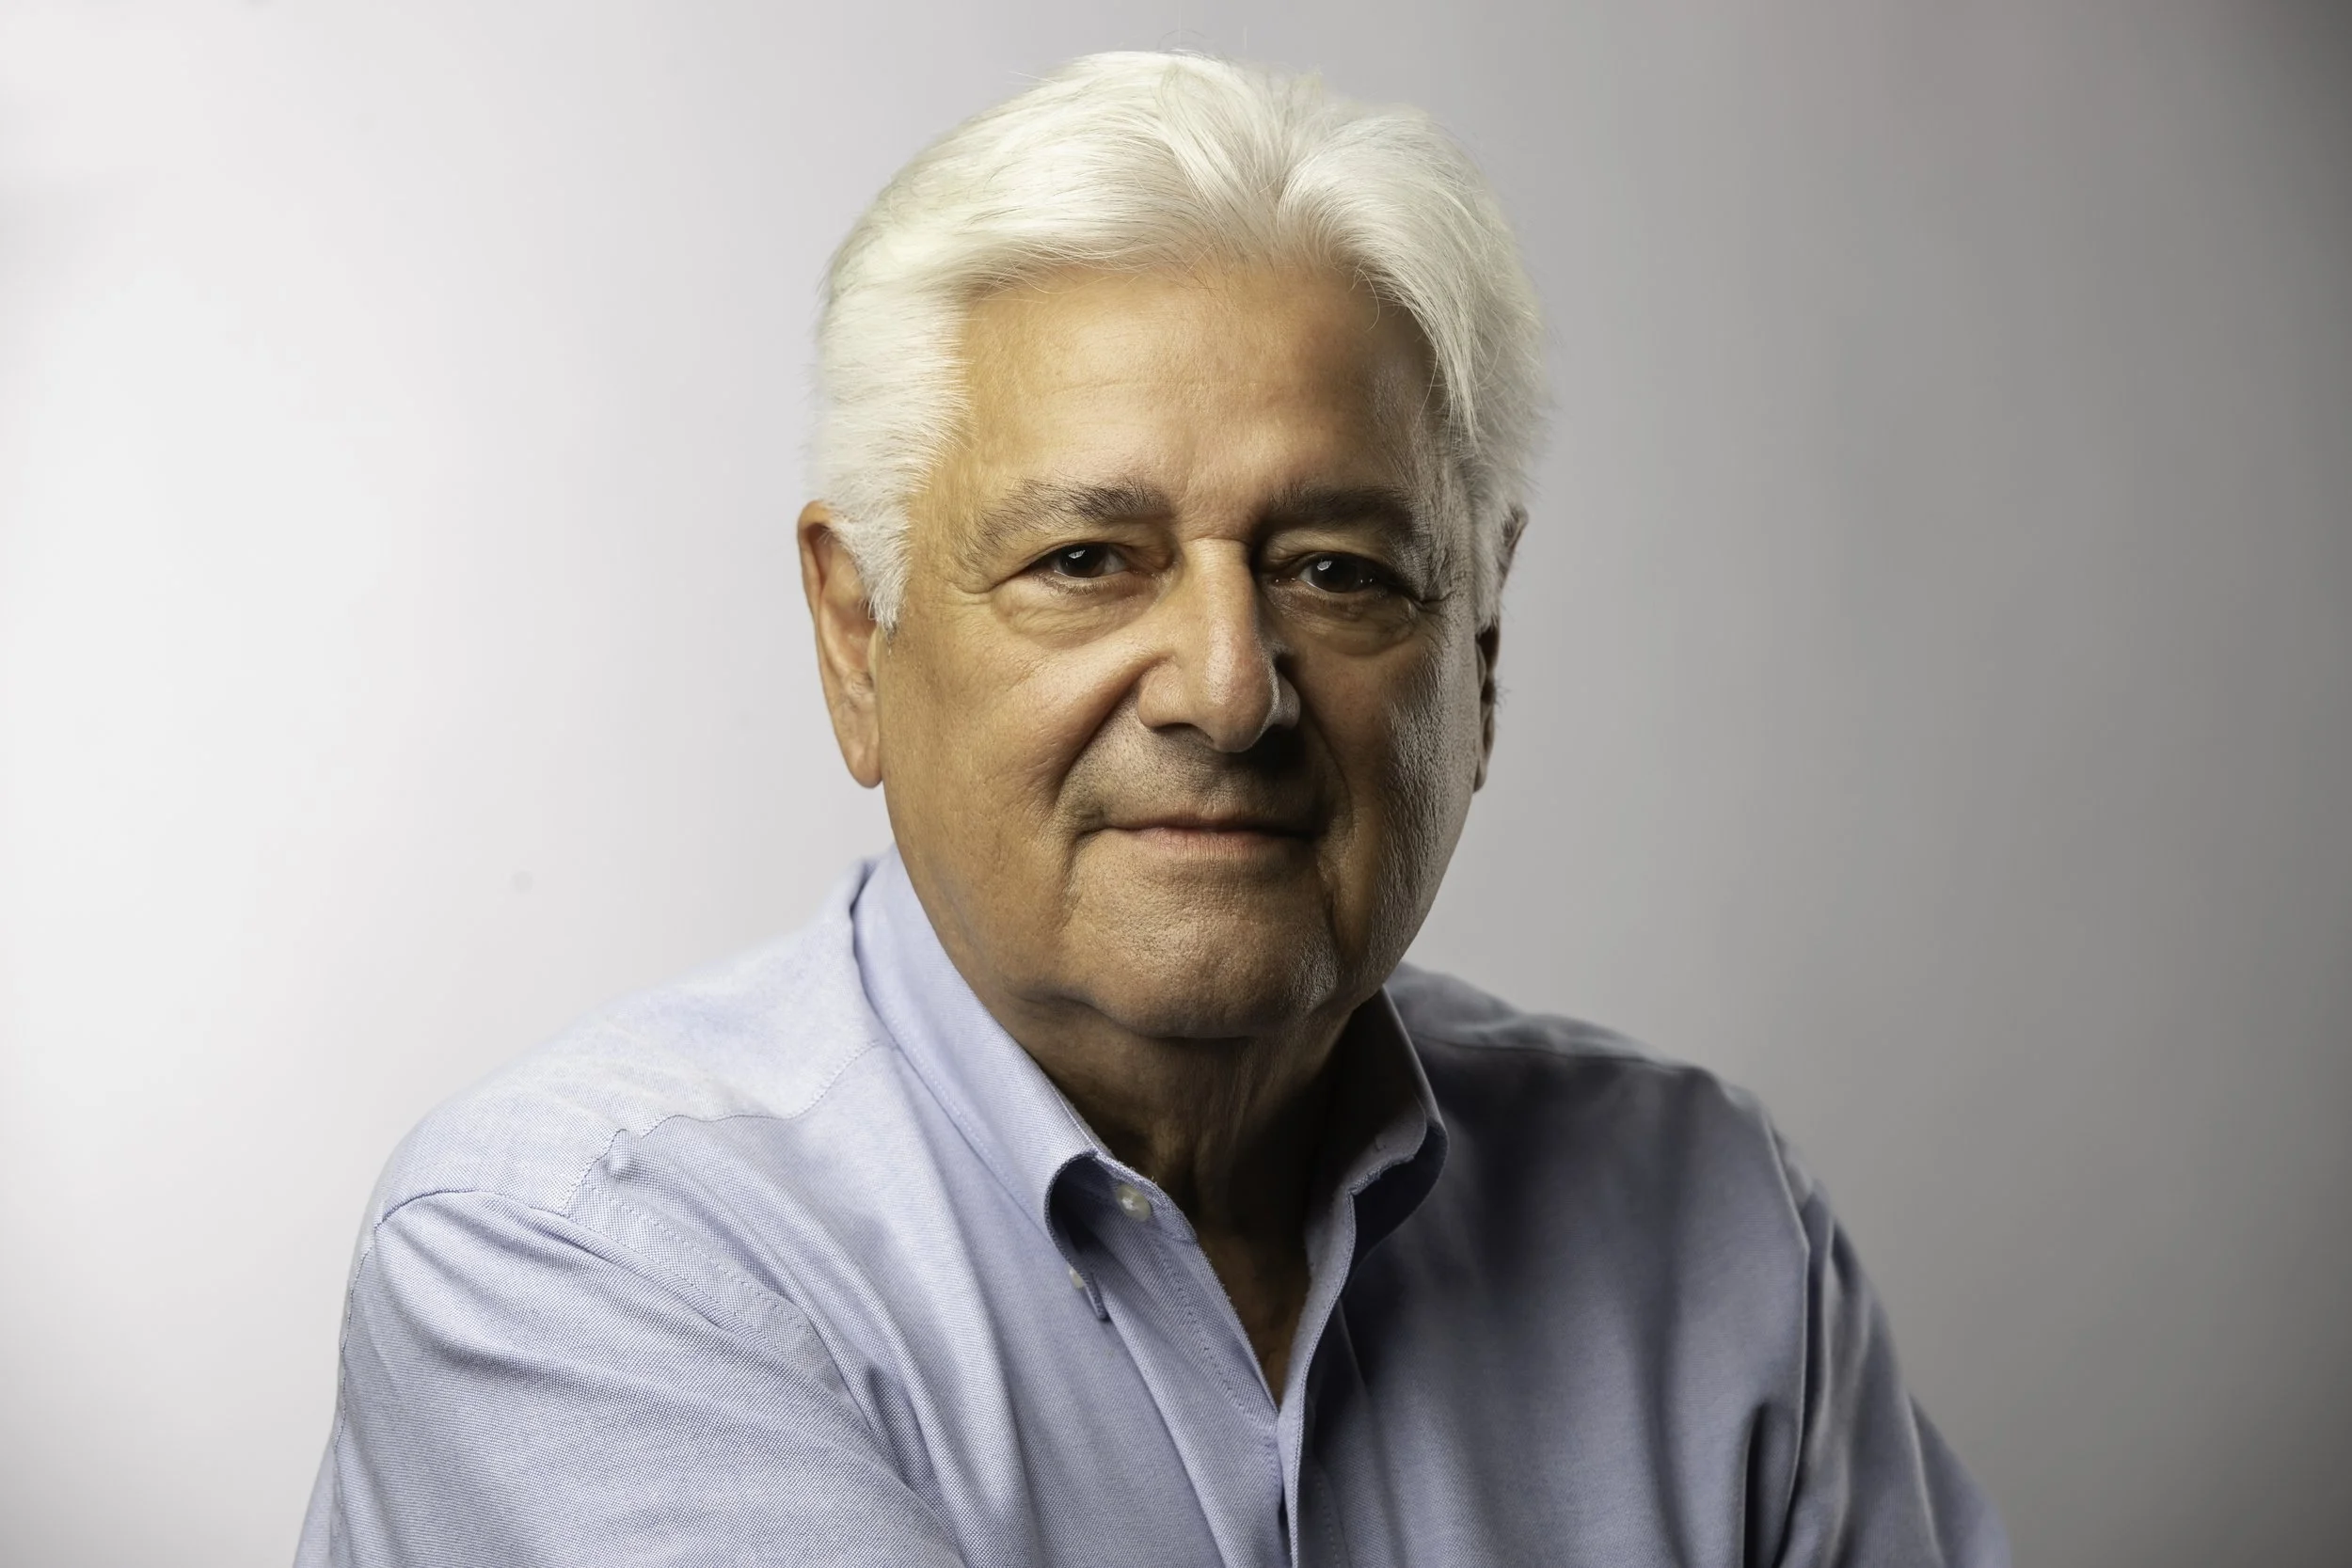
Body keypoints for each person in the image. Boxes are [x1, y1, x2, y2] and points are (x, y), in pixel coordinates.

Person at [296, 52, 2006, 1568]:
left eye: (1337, 569)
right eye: (1086, 560)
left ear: (1479, 645)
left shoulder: (1711, 1227)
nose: (1226, 685)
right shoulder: (578, 1255)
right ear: (854, 638)